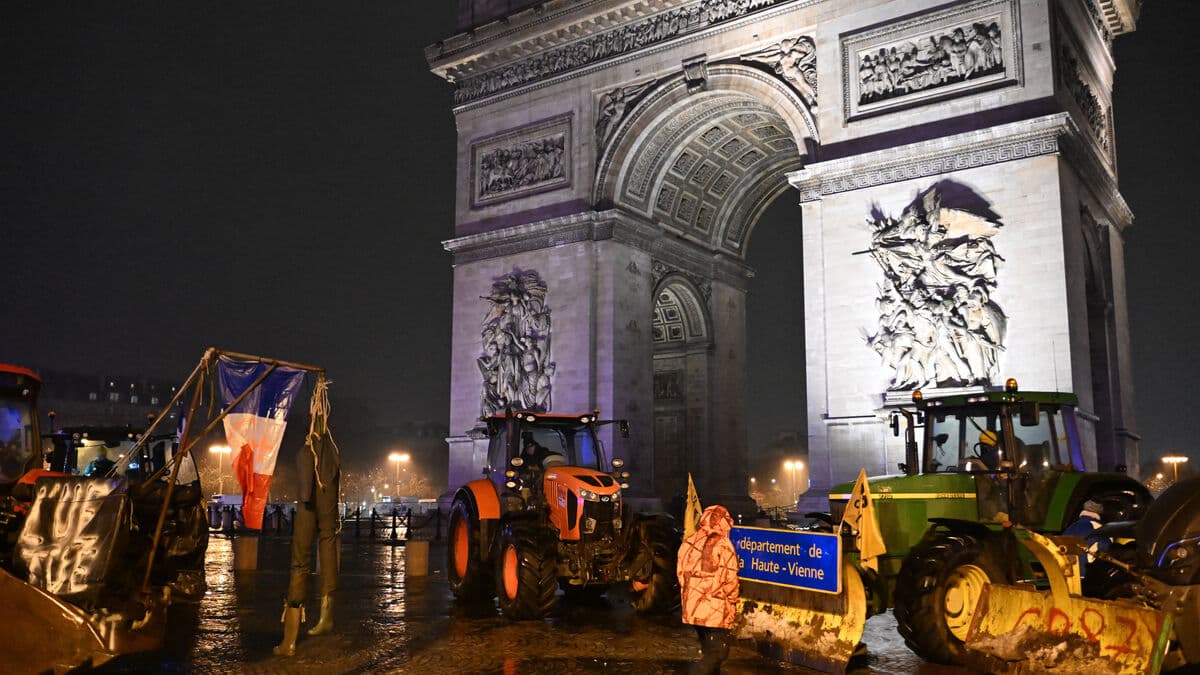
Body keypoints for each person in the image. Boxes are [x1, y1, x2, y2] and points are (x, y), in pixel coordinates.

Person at [276, 378, 342, 657]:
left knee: (299, 564)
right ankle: (326, 616)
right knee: (328, 550)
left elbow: (305, 494)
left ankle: (289, 640)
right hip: (328, 515)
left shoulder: (307, 452)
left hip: (307, 512)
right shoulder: (334, 454)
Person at [677, 505, 739, 674]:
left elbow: (681, 573)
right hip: (715, 608)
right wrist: (732, 600)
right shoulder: (724, 545)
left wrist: (690, 594)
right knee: (718, 653)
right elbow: (730, 578)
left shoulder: (689, 541)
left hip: (693, 607)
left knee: (709, 650)